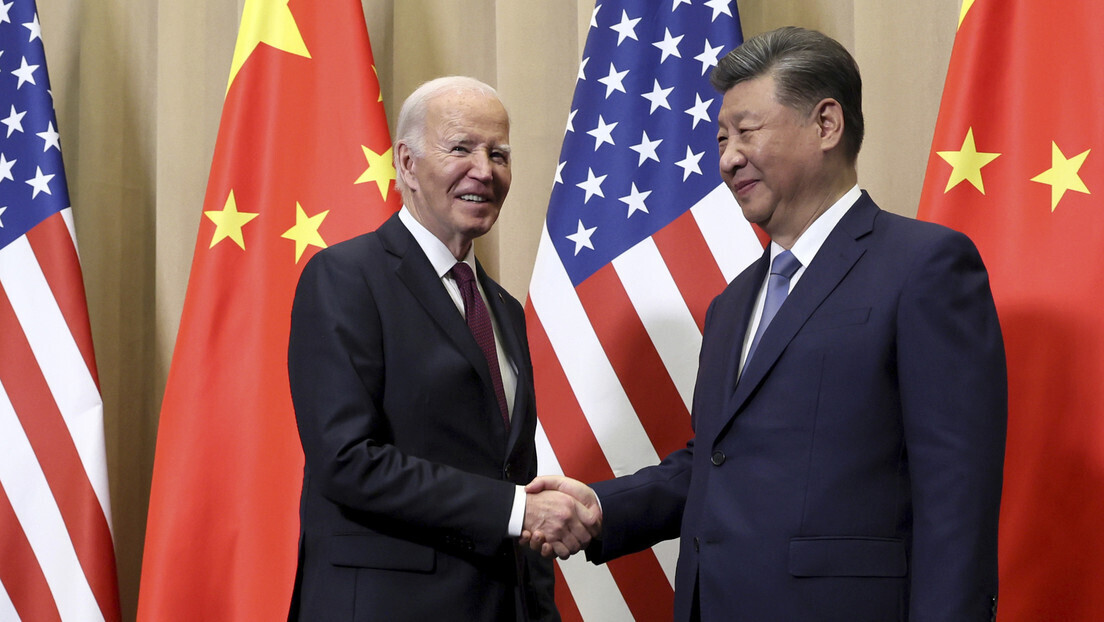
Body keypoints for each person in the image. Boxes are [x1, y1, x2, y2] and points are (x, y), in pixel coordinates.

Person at [525, 27, 1007, 622]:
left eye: (746, 133)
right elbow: (718, 463)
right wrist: (604, 507)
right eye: (722, 139)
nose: (727, 159)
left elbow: (957, 494)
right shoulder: (732, 304)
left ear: (826, 125)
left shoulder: (925, 266)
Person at [287, 76, 595, 621]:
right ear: (406, 163)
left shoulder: (503, 308)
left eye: (498, 153)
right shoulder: (344, 278)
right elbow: (346, 461)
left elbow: (512, 473)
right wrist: (517, 510)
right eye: (461, 148)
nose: (485, 169)